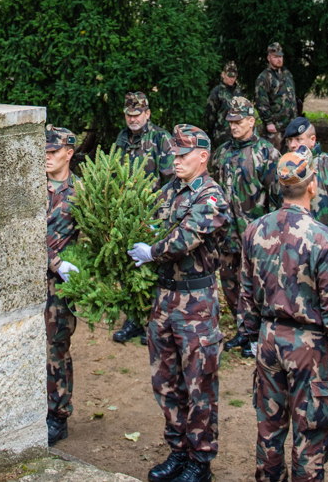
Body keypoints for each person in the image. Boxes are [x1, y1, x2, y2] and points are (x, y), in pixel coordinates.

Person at [238, 150, 328, 482]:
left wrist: (251, 335)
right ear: (312, 186)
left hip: (268, 339)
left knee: (269, 428)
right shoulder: (326, 239)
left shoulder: (254, 230)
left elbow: (246, 291)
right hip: (310, 348)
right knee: (311, 434)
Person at [129, 126, 232, 482]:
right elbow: (148, 223)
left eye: (183, 155)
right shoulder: (169, 190)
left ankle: (200, 461)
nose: (176, 160)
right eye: (174, 154)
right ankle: (178, 450)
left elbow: (186, 237)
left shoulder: (210, 196)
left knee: (198, 382)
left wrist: (152, 252)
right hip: (164, 298)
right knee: (166, 380)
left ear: (202, 157)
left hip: (196, 303)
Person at [211, 96, 278, 358]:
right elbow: (214, 190)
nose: (233, 126)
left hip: (257, 235)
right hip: (226, 234)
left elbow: (276, 197)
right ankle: (242, 329)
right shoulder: (222, 152)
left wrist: (274, 234)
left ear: (251, 121)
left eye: (238, 121)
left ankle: (256, 332)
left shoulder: (267, 153)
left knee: (255, 284)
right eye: (231, 121)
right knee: (229, 282)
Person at [115, 90, 177, 344]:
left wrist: (162, 215)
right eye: (129, 114)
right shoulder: (121, 139)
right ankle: (133, 320)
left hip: (153, 214)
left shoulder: (160, 138)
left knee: (153, 268)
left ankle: (153, 320)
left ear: (147, 113)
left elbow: (171, 179)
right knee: (129, 265)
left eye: (137, 114)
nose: (133, 119)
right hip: (127, 214)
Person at [45, 127, 81, 445]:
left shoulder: (80, 192)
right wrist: (54, 261)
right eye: (44, 151)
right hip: (28, 283)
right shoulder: (29, 186)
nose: (47, 156)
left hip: (60, 289)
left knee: (57, 349)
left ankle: (58, 416)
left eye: (53, 152)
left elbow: (94, 236)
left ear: (68, 153)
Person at [282, 117, 328, 252]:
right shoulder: (283, 169)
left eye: (298, 139)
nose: (293, 145)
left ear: (312, 140)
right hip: (290, 250)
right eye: (290, 140)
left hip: (323, 249)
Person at [254, 43, 299, 146]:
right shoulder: (264, 78)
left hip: (290, 126)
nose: (279, 60)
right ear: (269, 58)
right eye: (275, 57)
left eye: (280, 57)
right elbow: (261, 103)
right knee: (274, 154)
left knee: (289, 154)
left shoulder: (287, 74)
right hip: (275, 128)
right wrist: (268, 122)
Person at [205, 61, 244, 140]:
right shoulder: (217, 92)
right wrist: (214, 132)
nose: (232, 79)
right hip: (222, 135)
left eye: (234, 77)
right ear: (223, 75)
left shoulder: (239, 91)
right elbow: (209, 115)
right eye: (229, 76)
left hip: (238, 135)